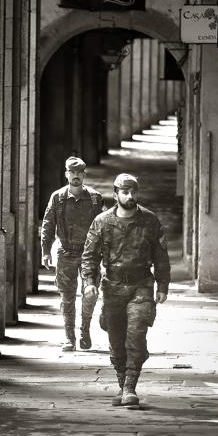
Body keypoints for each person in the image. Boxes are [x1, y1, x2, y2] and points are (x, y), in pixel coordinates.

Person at [81, 172, 171, 408]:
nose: (130, 196)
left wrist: (162, 285)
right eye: (125, 192)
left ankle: (130, 387)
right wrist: (89, 282)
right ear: (116, 194)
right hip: (113, 287)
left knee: (136, 334)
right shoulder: (102, 222)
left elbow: (161, 256)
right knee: (116, 340)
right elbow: (90, 255)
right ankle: (123, 384)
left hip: (141, 285)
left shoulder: (150, 221)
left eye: (133, 192)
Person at [40, 156, 104, 351]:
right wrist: (45, 251)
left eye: (79, 173)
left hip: (89, 255)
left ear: (84, 175)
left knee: (90, 294)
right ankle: (69, 338)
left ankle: (85, 330)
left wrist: (106, 256)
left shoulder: (95, 198)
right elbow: (48, 225)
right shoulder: (58, 198)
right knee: (67, 297)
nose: (76, 176)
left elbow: (103, 228)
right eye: (72, 172)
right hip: (66, 252)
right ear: (66, 174)